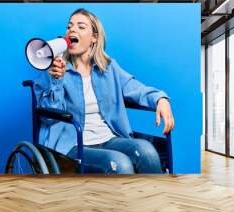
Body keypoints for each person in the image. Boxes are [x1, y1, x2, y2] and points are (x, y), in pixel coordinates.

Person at [33, 8, 174, 174]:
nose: (72, 29)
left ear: (94, 37)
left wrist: (161, 99)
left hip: (109, 138)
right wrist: (56, 81)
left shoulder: (109, 68)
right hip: (72, 144)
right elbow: (48, 118)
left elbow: (136, 88)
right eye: (69, 26)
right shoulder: (53, 70)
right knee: (119, 164)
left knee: (147, 152)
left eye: (81, 26)